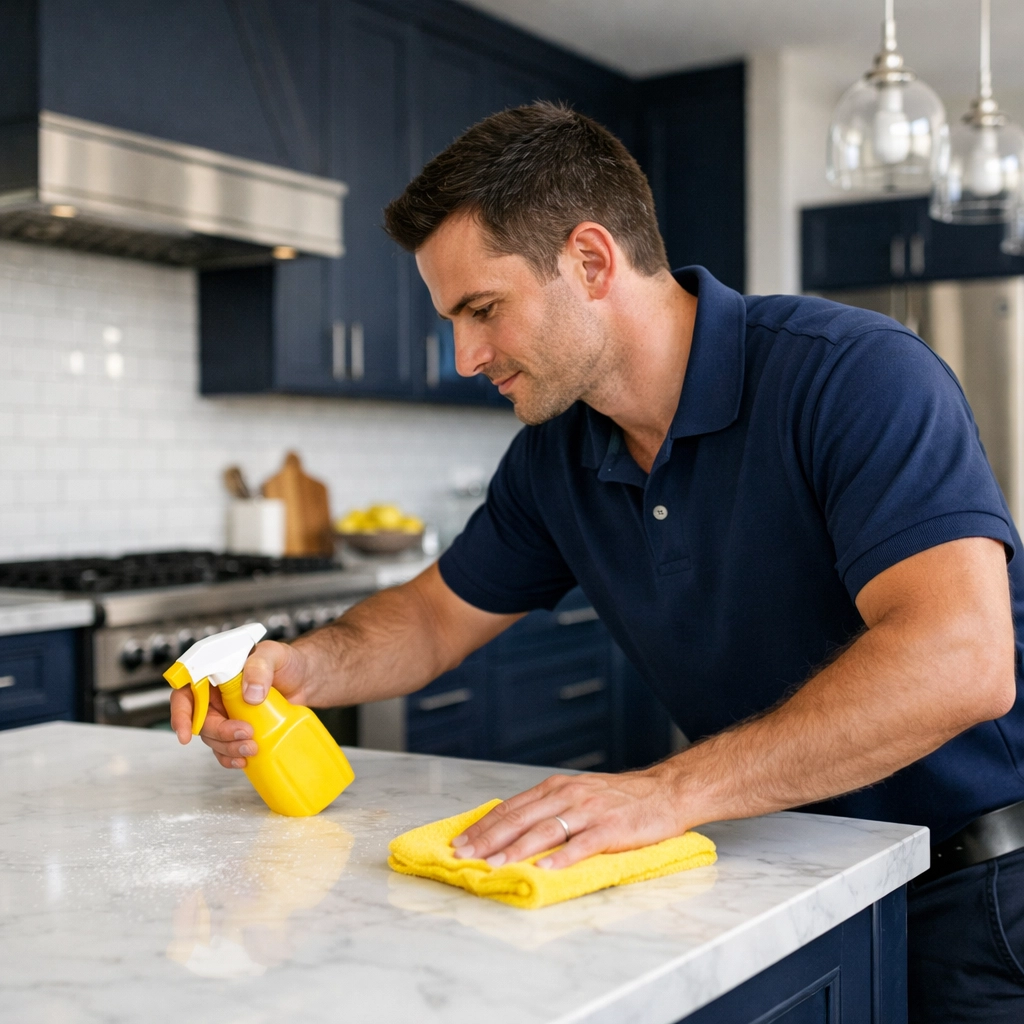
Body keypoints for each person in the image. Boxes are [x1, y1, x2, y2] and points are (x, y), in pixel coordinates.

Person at [171, 103, 1024, 1022]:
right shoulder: (557, 455)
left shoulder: (851, 376)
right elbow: (430, 616)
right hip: (776, 882)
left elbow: (962, 662)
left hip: (973, 898)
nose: (463, 357)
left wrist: (668, 791)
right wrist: (305, 666)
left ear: (589, 260)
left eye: (482, 309)